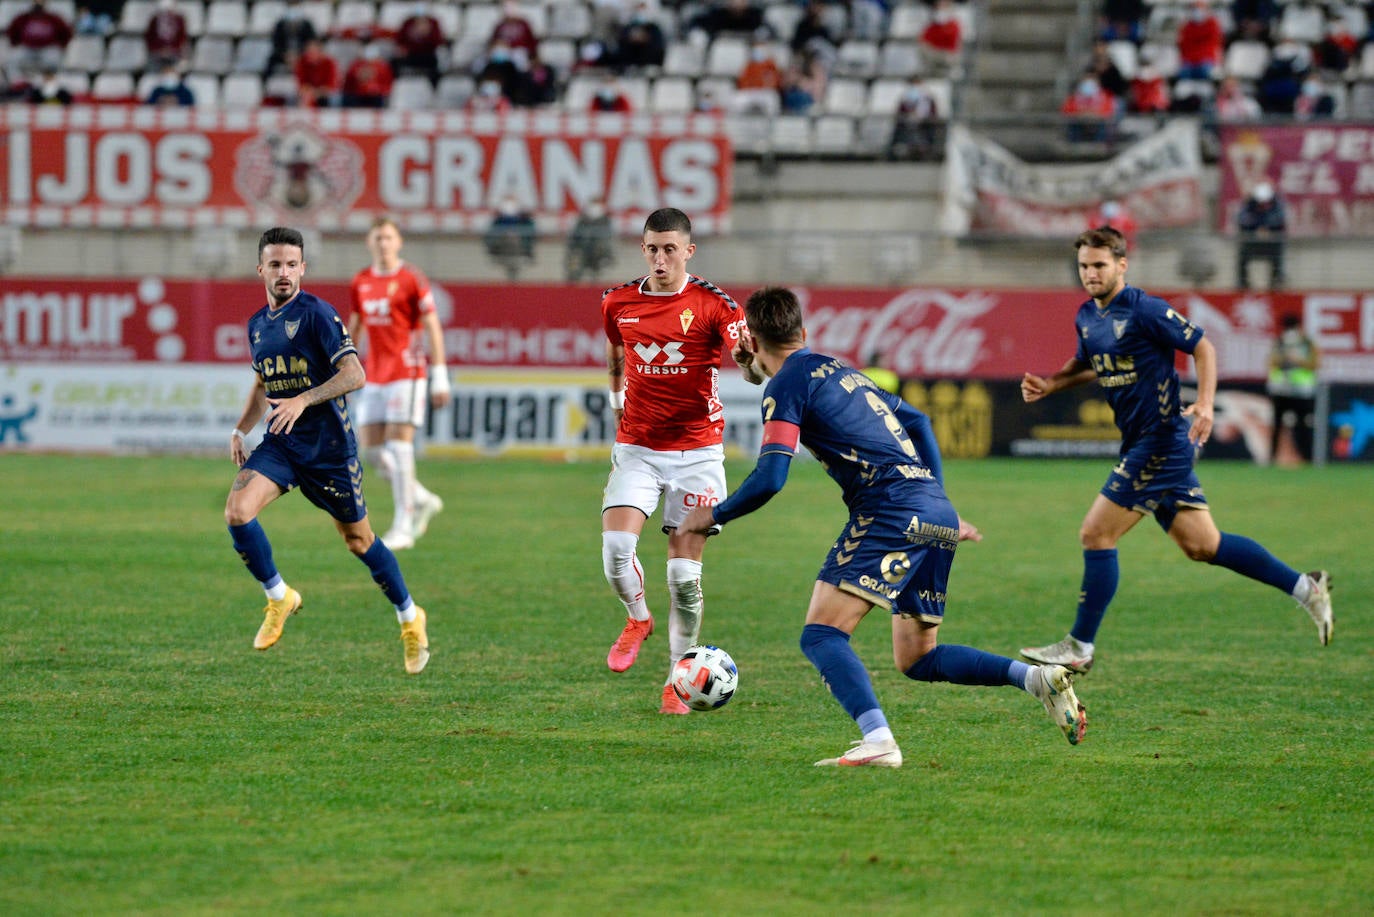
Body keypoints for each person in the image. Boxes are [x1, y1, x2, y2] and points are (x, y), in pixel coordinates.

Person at [678, 286, 1087, 766]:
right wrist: (943, 503)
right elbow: (919, 420)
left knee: (822, 635)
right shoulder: (841, 370)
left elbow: (771, 477)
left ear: (751, 337)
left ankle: (878, 741)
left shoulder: (787, 384)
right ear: (803, 333)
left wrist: (712, 515)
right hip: (932, 508)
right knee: (918, 658)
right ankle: (1036, 679)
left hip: (890, 509)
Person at [1017, 227, 1334, 676]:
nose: (1090, 273)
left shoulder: (1145, 309)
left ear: (1122, 265)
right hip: (1141, 440)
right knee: (1203, 545)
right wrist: (1051, 383)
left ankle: (1079, 646)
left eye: (1099, 265)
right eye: (1084, 265)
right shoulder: (1088, 316)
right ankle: (1307, 588)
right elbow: (1088, 365)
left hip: (1162, 439)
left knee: (1096, 534)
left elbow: (1202, 347)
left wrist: (1204, 403)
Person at [225, 227, 431, 675]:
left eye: (292, 264)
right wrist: (242, 429)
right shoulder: (258, 324)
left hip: (329, 450)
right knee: (238, 511)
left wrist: (303, 399)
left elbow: (355, 373)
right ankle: (279, 597)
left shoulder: (317, 314)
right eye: (275, 264)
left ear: (303, 268)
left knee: (359, 541)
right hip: (282, 445)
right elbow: (263, 383)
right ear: (261, 268)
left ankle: (410, 616)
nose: (284, 272)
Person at [600, 207, 747, 716]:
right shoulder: (617, 301)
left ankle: (676, 683)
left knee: (684, 581)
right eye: (651, 249)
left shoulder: (715, 304)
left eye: (669, 249)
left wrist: (748, 360)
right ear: (642, 249)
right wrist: (616, 392)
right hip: (638, 446)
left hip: (698, 453)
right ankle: (638, 618)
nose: (660, 259)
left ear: (688, 251)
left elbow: (745, 362)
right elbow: (616, 348)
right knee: (617, 549)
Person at [346, 217, 450, 550]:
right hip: (374, 373)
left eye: (388, 237)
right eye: (377, 237)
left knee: (399, 446)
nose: (383, 243)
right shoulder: (360, 281)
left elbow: (432, 325)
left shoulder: (411, 279)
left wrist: (440, 375)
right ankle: (420, 497)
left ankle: (403, 525)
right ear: (368, 242)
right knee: (372, 451)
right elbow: (356, 328)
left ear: (399, 241)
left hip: (408, 371)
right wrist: (344, 369)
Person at [1267, 314, 1320, 465]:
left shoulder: (1307, 344)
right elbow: (1272, 362)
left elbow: (1315, 364)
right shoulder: (1279, 343)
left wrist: (1298, 360)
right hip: (1281, 390)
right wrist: (1284, 357)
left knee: (1303, 426)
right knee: (1277, 425)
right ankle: (1272, 459)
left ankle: (1307, 458)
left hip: (1302, 392)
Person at [1236, 181, 1287, 290]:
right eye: (1260, 202)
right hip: (1253, 244)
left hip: (1271, 245)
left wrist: (1266, 226)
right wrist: (1258, 227)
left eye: (1265, 202)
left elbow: (1280, 219)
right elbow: (1242, 219)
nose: (1263, 205)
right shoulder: (1249, 205)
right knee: (1242, 256)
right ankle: (1243, 283)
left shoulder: (1277, 205)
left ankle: (1276, 281)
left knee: (1278, 256)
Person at [483, 197, 537, 279]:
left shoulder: (525, 220)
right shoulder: (498, 221)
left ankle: (524, 255)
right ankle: (498, 255)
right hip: (502, 247)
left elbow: (532, 231)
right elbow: (489, 235)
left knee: (512, 237)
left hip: (521, 248)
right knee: (510, 236)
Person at [564, 198, 615, 282]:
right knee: (575, 257)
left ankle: (599, 266)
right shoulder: (581, 220)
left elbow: (609, 236)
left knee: (601, 251)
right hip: (582, 248)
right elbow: (574, 235)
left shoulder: (605, 220)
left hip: (597, 250)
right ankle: (574, 278)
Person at [144, 0, 189, 71]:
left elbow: (182, 37)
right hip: (157, 53)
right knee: (152, 64)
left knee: (180, 64)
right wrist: (159, 50)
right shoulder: (154, 20)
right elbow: (149, 38)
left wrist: (171, 49)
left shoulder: (179, 19)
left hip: (174, 53)